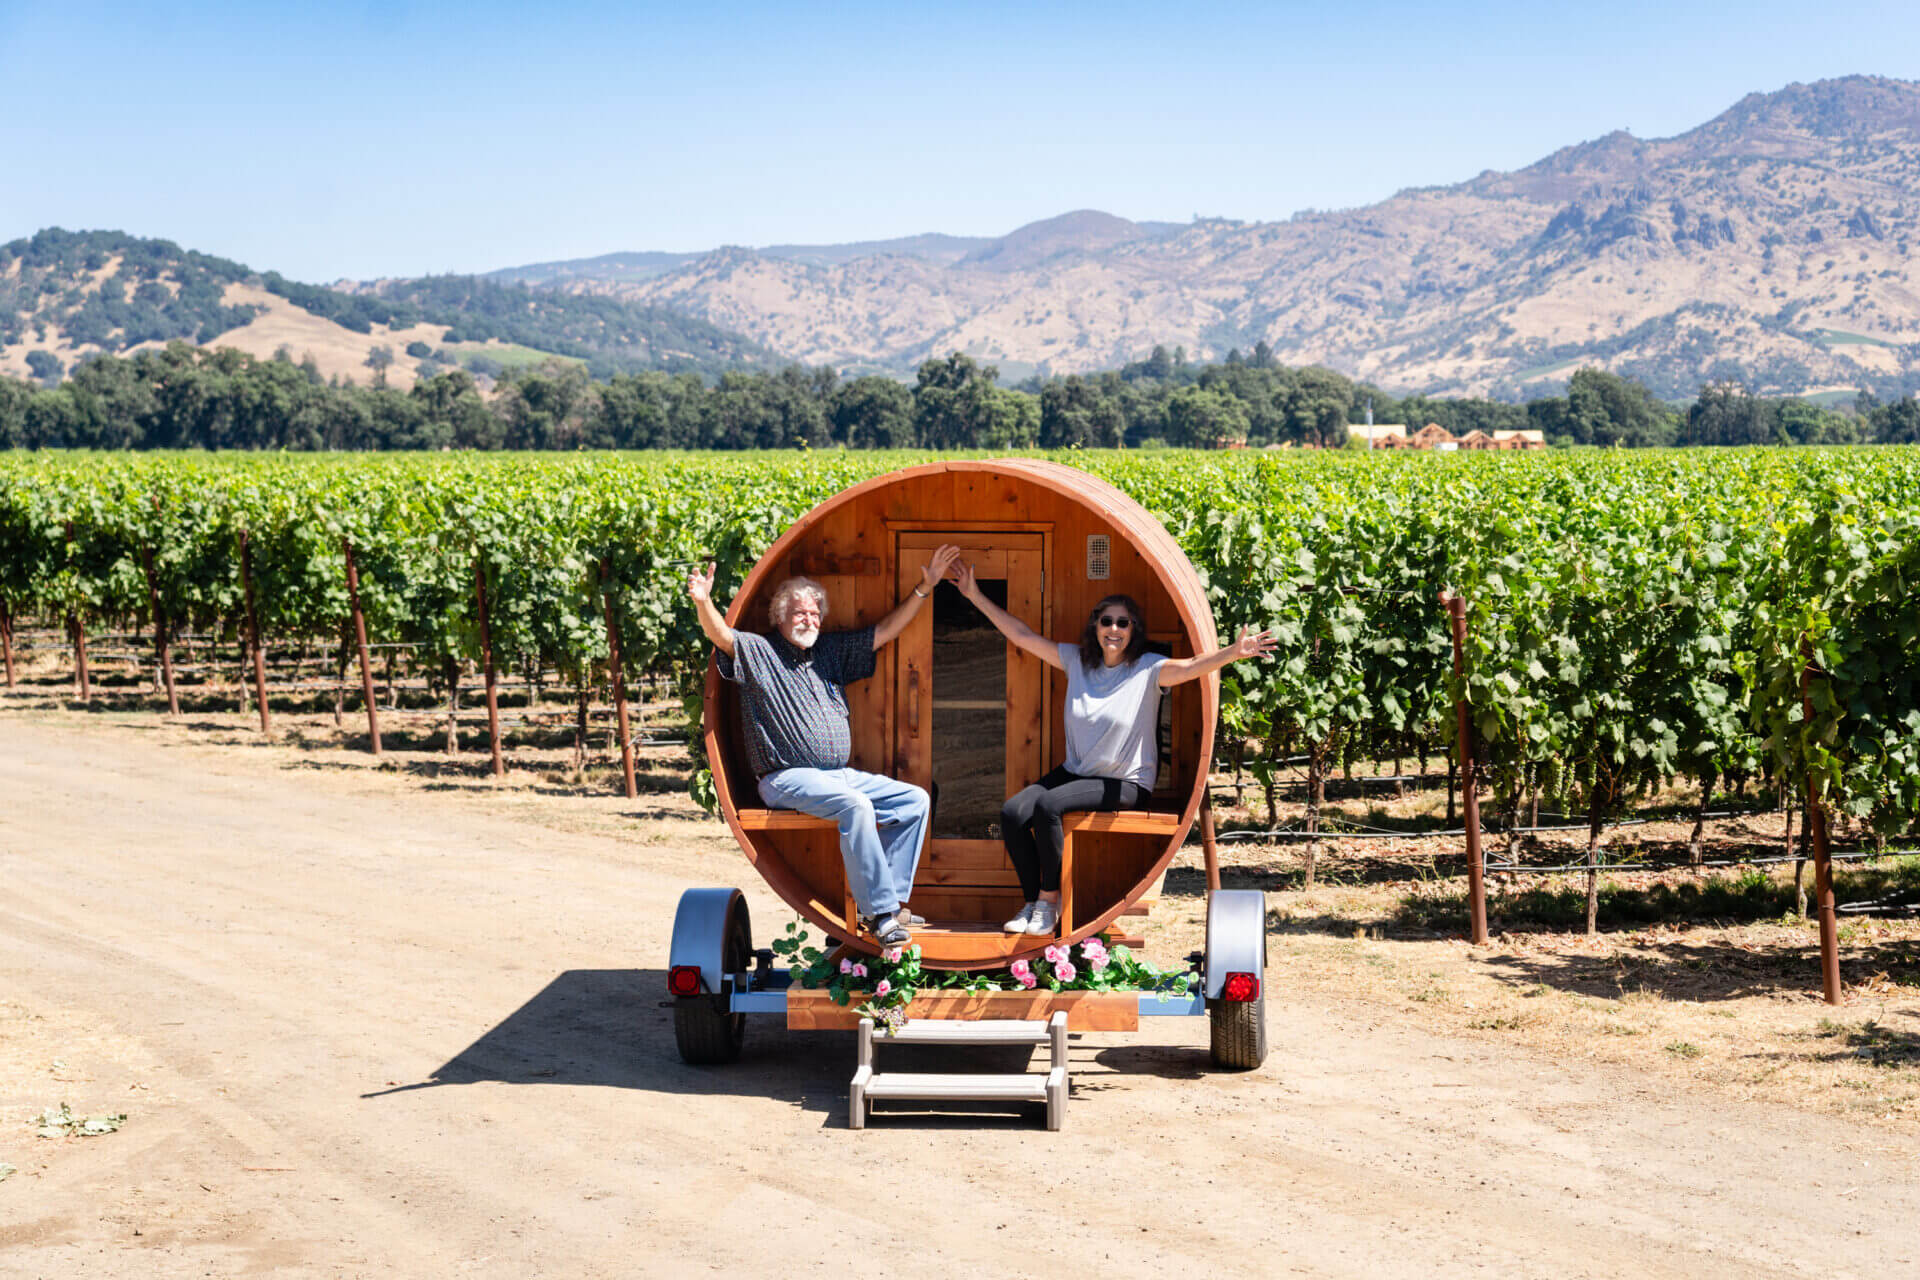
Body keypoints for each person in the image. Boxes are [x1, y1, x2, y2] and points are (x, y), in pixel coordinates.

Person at [953, 565, 1278, 935]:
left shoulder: (1147, 670)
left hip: (1125, 781)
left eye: (1123, 623)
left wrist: (1233, 653)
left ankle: (1049, 900)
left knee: (1048, 806)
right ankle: (1032, 902)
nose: (1114, 629)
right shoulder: (1077, 661)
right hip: (1079, 772)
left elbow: (1191, 666)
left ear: (1133, 631)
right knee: (1013, 812)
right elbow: (1022, 635)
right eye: (1107, 621)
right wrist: (974, 595)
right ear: (1096, 626)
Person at [689, 546, 961, 948]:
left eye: (815, 613)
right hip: (784, 778)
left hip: (837, 776)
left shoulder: (829, 653)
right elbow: (721, 635)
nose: (810, 619)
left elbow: (886, 631)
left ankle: (893, 902)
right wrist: (704, 601)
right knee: (856, 806)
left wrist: (926, 586)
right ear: (779, 616)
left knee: (914, 801)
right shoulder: (761, 652)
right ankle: (880, 915)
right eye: (800, 612)